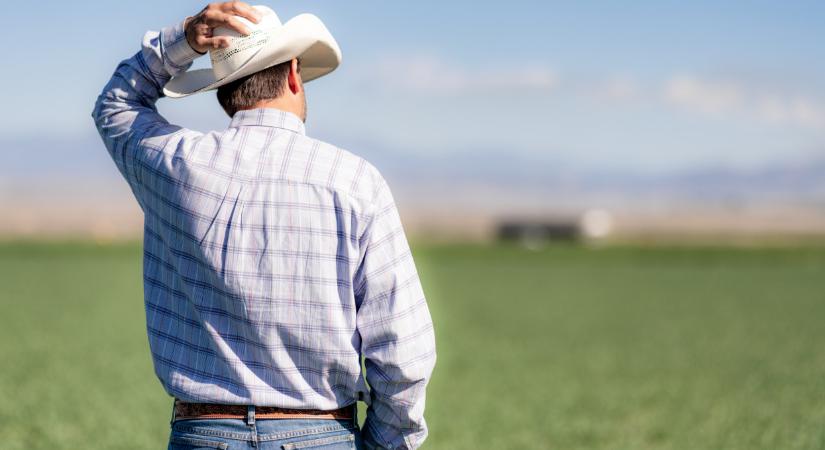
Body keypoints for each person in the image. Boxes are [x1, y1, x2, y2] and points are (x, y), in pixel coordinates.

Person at [91, 2, 436, 449]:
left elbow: (115, 104)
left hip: (201, 433)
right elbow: (403, 352)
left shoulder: (176, 165)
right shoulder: (355, 181)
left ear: (221, 91)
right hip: (322, 433)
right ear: (293, 74)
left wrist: (180, 42)